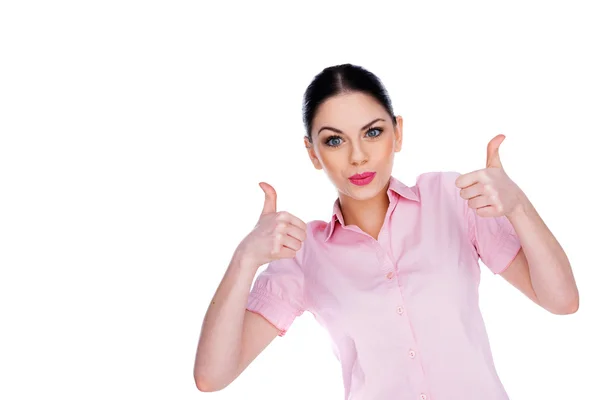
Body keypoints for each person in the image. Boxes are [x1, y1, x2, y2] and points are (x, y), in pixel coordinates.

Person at [193, 63, 579, 399]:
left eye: (373, 132)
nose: (358, 155)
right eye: (334, 140)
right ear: (313, 153)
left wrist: (518, 207)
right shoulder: (303, 254)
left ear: (397, 132)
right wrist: (244, 258)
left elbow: (562, 300)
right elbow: (212, 376)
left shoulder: (452, 199)